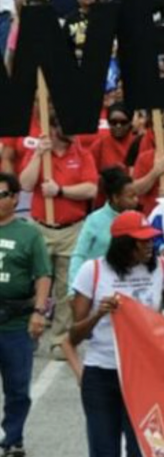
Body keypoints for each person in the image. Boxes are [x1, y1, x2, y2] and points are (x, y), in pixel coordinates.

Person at [70, 210, 164, 457]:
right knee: (104, 450)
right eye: (142, 241)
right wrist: (99, 314)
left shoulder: (162, 268)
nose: (150, 245)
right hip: (102, 374)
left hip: (143, 374)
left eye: (151, 239)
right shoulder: (92, 271)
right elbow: (74, 335)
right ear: (123, 244)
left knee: (142, 450)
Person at [18, 114, 98, 358]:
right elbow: (26, 184)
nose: (73, 130)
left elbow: (91, 188)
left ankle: (60, 340)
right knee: (31, 283)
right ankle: (27, 335)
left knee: (65, 287)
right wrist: (38, 156)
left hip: (71, 228)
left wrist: (60, 190)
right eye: (66, 124)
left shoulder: (82, 153)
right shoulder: (41, 153)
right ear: (53, 128)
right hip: (41, 228)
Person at [0, 172, 50, 457]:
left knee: (17, 387)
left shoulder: (29, 234)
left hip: (15, 321)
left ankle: (13, 438)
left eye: (2, 195)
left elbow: (43, 274)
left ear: (16, 198)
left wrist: (39, 311)